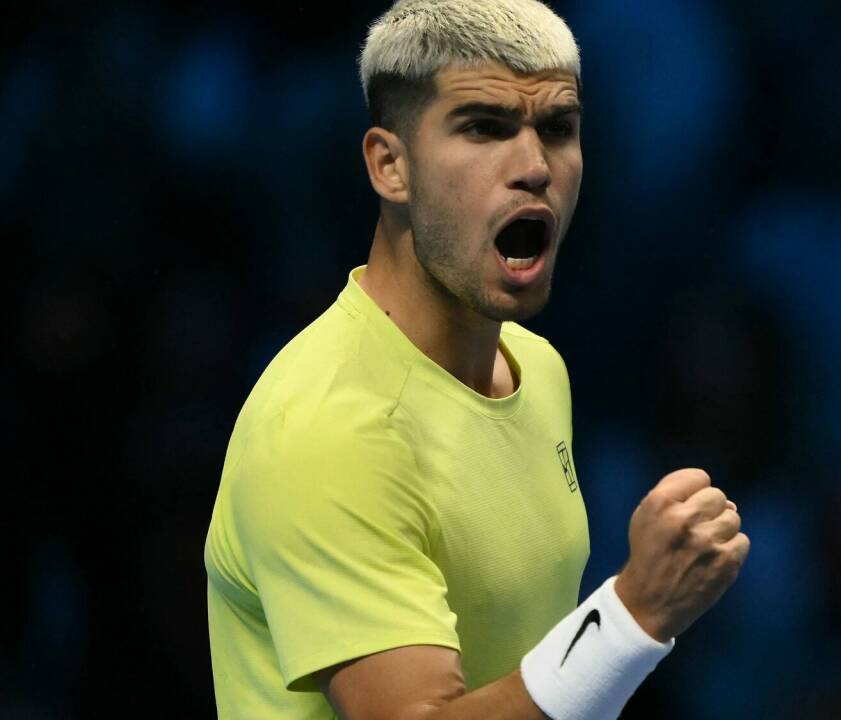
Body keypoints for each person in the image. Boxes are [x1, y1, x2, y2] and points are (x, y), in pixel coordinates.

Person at [202, 1, 750, 718]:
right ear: (390, 165)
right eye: (484, 128)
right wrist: (632, 615)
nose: (534, 167)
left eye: (558, 129)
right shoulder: (330, 430)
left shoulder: (537, 367)